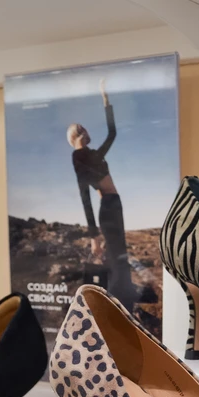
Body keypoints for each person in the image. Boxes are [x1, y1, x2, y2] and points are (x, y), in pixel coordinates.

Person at [67, 78, 138, 310]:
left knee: (119, 253)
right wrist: (93, 236)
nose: (87, 131)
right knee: (117, 256)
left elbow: (112, 133)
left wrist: (106, 101)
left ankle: (121, 300)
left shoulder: (93, 155)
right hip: (107, 207)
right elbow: (84, 195)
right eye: (82, 129)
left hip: (113, 204)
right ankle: (120, 303)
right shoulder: (79, 157)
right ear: (77, 133)